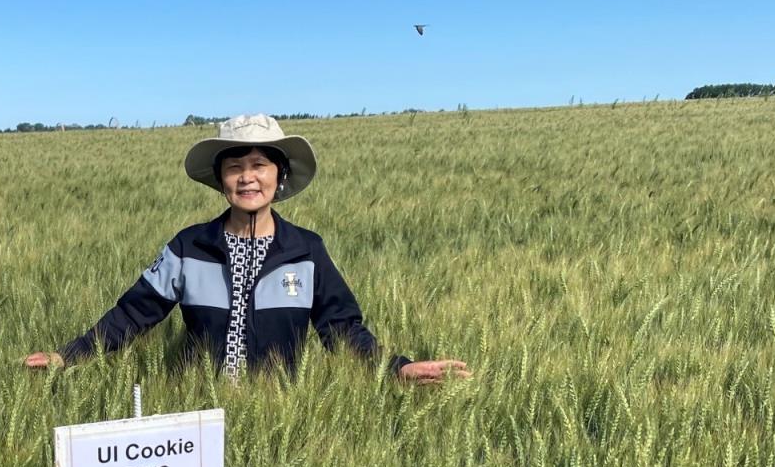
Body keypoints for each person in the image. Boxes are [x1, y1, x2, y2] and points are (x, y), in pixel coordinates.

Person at [23, 114, 471, 384]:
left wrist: (396, 369)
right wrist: (70, 355)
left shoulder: (306, 251)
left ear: (280, 176)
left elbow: (342, 330)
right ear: (220, 180)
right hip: (197, 417)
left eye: (259, 165)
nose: (247, 178)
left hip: (280, 419)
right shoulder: (189, 247)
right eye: (234, 167)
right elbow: (133, 314)